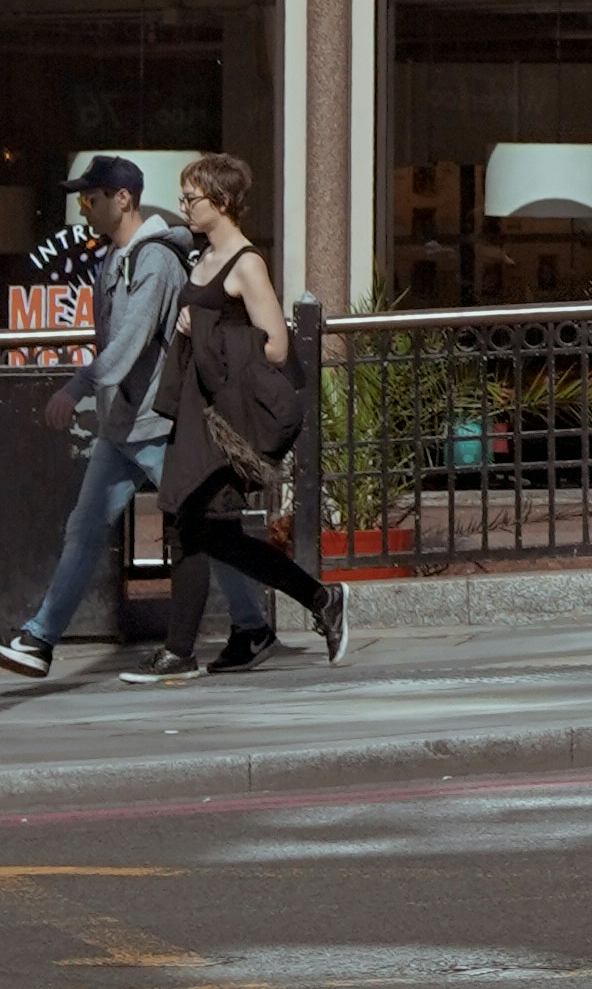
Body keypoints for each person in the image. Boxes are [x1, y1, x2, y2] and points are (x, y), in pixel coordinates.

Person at [0, 155, 196, 685]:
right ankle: (40, 638)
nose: (84, 208)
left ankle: (269, 616)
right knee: (85, 531)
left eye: (92, 198)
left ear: (123, 200)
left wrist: (76, 386)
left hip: (156, 427)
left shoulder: (154, 261)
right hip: (121, 428)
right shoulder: (113, 258)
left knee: (208, 533)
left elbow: (128, 345)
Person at [148, 155, 345, 677]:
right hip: (201, 413)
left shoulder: (246, 263)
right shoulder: (202, 258)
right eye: (184, 196)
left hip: (225, 424)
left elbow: (278, 346)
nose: (185, 205)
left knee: (191, 524)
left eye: (192, 197)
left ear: (222, 201)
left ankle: (180, 653)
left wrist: (204, 332)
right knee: (208, 532)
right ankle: (309, 606)